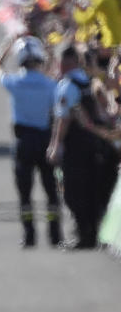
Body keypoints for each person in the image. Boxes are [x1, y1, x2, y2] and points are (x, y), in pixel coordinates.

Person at [0, 34, 61, 247]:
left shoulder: (15, 82)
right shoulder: (49, 84)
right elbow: (52, 70)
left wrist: (7, 44)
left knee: (25, 194)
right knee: (51, 192)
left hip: (23, 141)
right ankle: (55, 236)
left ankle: (29, 236)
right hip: (45, 140)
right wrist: (49, 51)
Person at [47, 44, 117, 249]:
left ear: (64, 62)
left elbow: (63, 119)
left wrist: (55, 145)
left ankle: (85, 235)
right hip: (96, 143)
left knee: (74, 192)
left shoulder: (67, 85)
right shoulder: (88, 80)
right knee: (94, 189)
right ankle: (95, 233)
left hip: (77, 146)